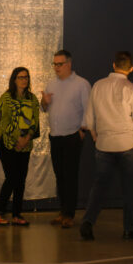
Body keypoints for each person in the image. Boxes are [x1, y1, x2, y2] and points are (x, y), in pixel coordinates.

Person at [79, 51, 133, 241]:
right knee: (129, 187)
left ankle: (88, 222)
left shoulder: (98, 86)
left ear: (113, 65)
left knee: (100, 186)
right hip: (128, 144)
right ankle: (129, 228)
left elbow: (89, 117)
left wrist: (95, 135)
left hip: (104, 144)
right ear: (131, 68)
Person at [42, 49, 91, 228]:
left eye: (59, 64)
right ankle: (62, 212)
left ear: (69, 64)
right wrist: (44, 103)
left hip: (72, 136)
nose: (56, 67)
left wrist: (82, 131)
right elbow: (45, 109)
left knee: (70, 176)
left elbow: (89, 109)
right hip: (55, 136)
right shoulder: (51, 84)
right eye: (54, 64)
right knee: (59, 176)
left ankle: (69, 214)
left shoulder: (81, 84)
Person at [0, 66, 41, 227]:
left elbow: (35, 122)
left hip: (25, 145)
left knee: (21, 179)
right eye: (20, 77)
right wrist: (17, 139)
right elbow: (3, 121)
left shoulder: (32, 99)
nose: (24, 80)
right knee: (12, 177)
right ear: (14, 80)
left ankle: (17, 214)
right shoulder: (6, 98)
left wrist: (26, 138)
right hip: (6, 144)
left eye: (26, 77)